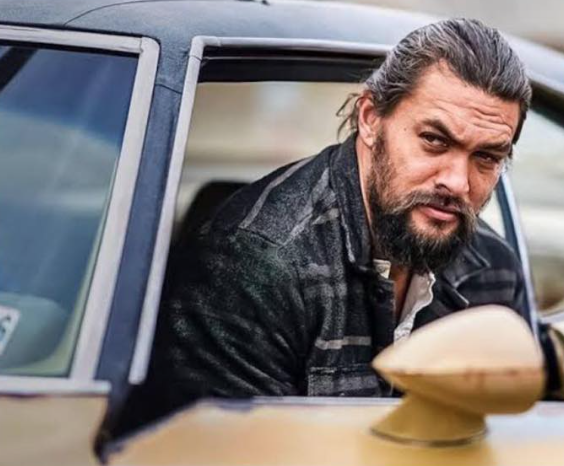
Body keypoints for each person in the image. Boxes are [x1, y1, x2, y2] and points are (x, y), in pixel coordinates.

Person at [141, 18, 562, 417]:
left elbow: (502, 437)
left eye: (486, 157)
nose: (457, 182)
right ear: (370, 119)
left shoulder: (492, 268)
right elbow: (226, 450)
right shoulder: (256, 262)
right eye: (434, 140)